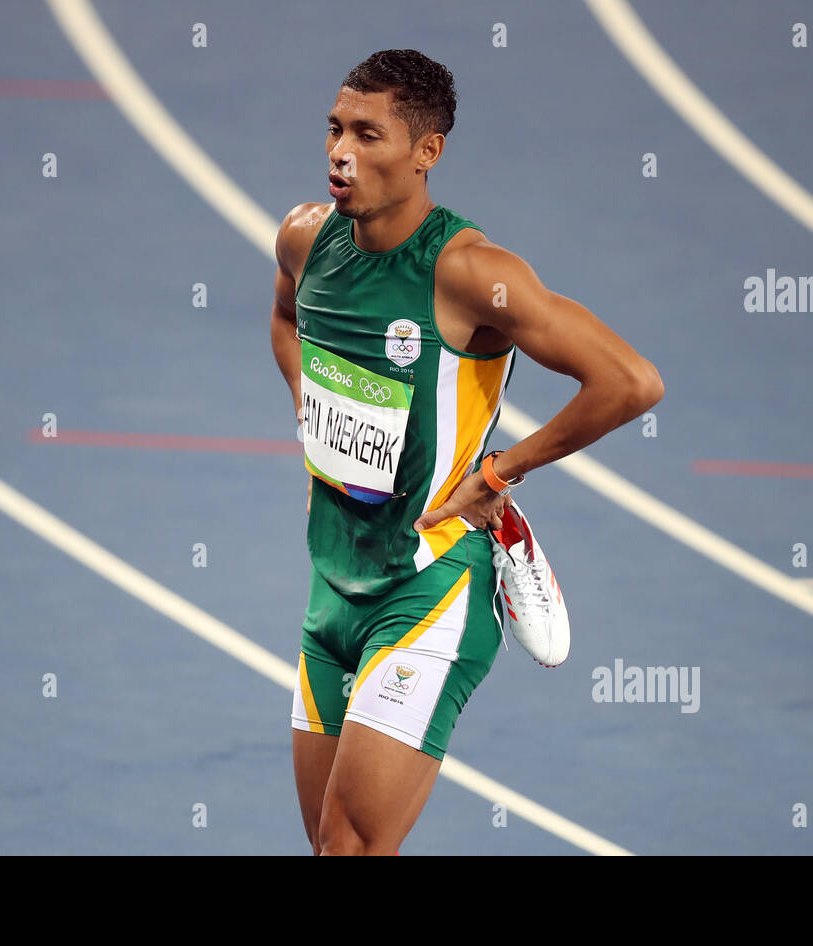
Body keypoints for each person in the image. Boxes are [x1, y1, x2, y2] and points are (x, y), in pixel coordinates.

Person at [270, 49, 664, 856]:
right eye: (335, 129)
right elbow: (286, 319)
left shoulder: (470, 274)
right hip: (331, 592)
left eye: (368, 134)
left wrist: (500, 470)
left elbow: (628, 382)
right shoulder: (306, 238)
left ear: (426, 152)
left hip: (430, 591)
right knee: (327, 847)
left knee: (350, 844)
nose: (340, 152)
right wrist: (313, 415)